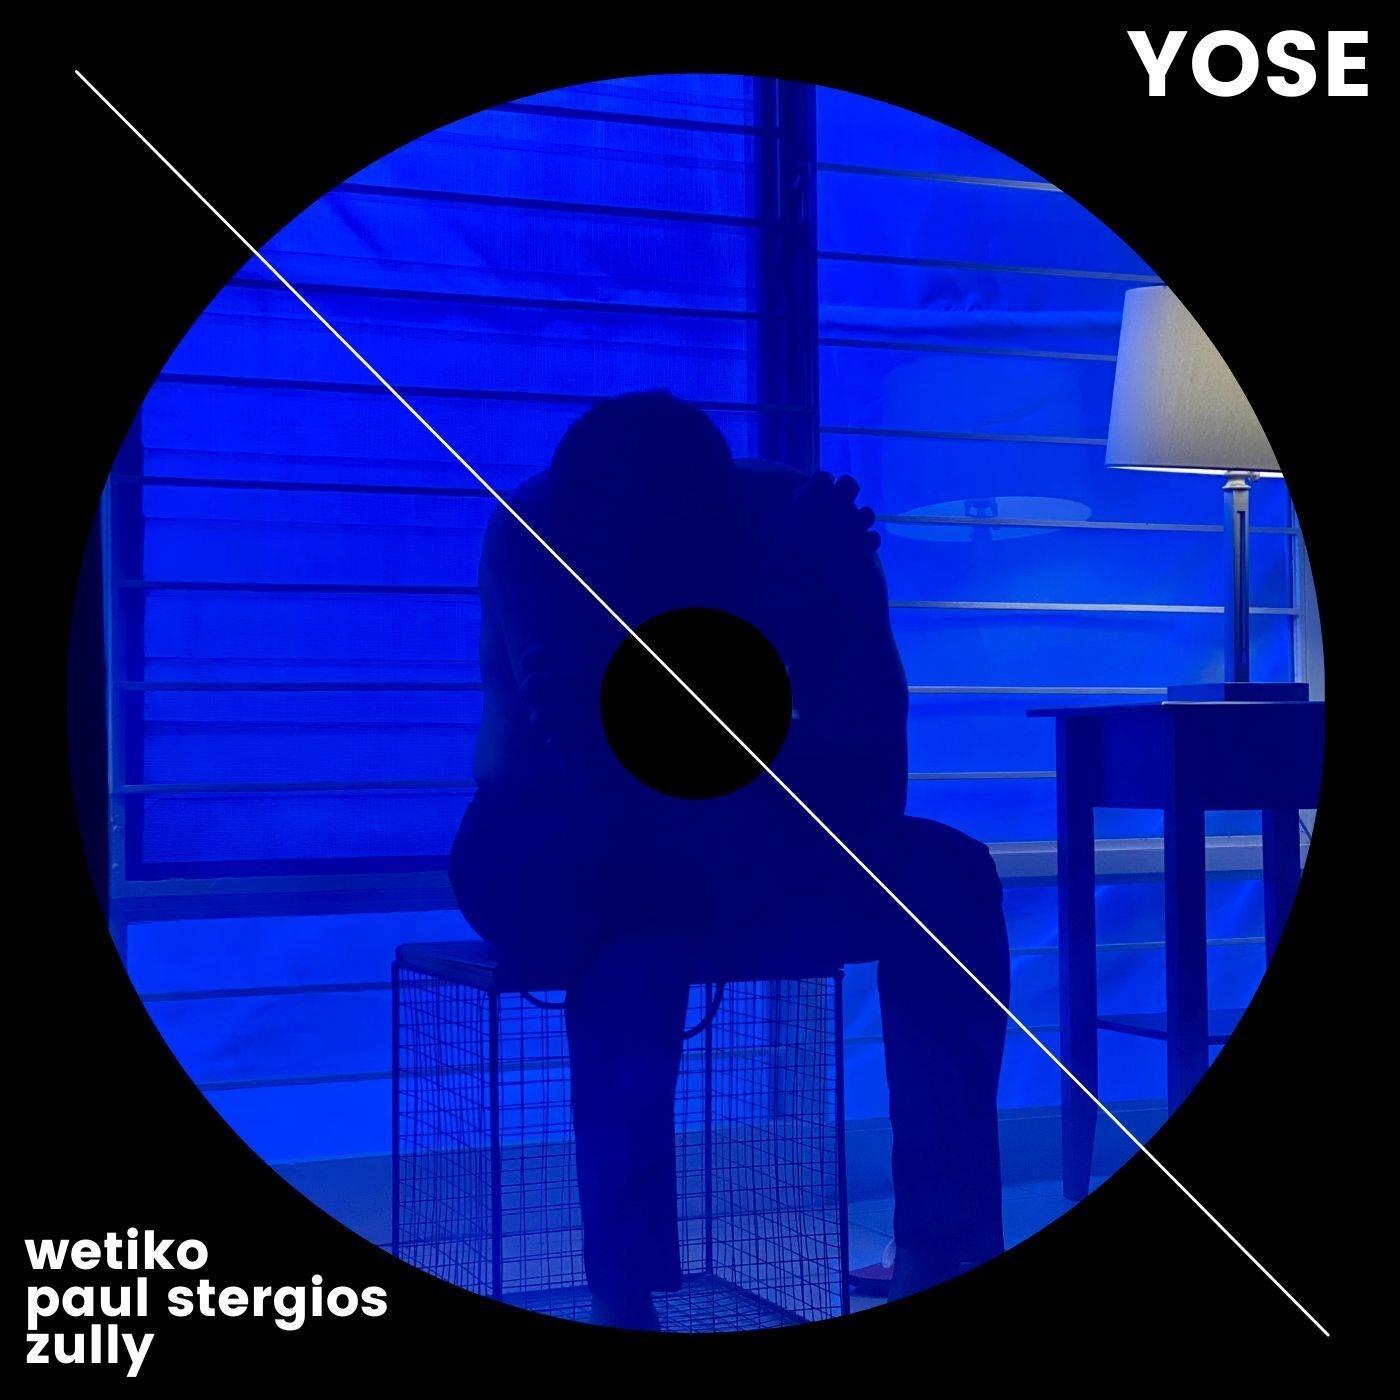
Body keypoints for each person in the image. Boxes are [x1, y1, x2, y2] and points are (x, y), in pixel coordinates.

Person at [450, 391, 1010, 1329]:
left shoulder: (804, 529)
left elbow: (876, 789)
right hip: (543, 830)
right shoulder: (536, 538)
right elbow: (610, 810)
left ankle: (936, 1247)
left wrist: (813, 605)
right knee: (632, 918)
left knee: (949, 877)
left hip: (752, 824)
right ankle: (622, 1290)